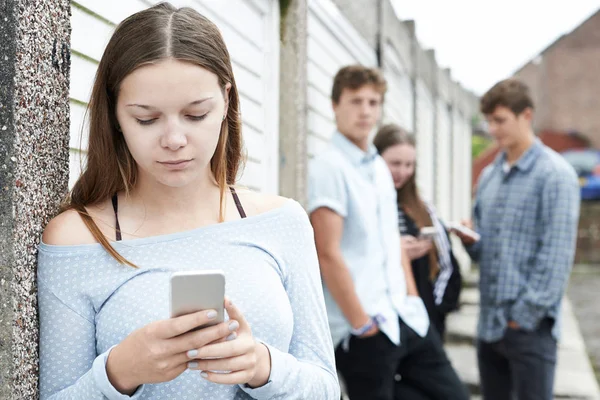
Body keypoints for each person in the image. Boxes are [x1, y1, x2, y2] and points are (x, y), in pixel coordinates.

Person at [37, 3, 339, 399]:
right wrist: (119, 373)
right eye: (146, 119)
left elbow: (326, 389)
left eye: (196, 114)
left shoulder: (283, 222)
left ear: (226, 100)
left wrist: (263, 367)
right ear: (113, 114)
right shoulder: (77, 239)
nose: (174, 140)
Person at [308, 65, 468, 400]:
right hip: (366, 327)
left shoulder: (379, 167)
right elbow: (327, 253)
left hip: (405, 315)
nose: (365, 110)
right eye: (355, 101)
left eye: (372, 102)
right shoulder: (329, 167)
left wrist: (412, 298)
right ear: (335, 105)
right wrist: (362, 323)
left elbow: (391, 240)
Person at [454, 78, 580, 400]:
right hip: (488, 327)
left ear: (526, 115)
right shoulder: (489, 176)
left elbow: (555, 258)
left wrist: (520, 321)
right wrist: (471, 242)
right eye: (489, 121)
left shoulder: (556, 175)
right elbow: (487, 253)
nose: (493, 130)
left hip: (529, 331)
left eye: (500, 120)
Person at [373, 124, 462, 339]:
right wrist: (396, 252)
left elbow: (447, 265)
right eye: (395, 163)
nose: (402, 172)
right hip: (379, 322)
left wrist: (435, 310)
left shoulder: (423, 209)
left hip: (422, 320)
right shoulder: (365, 205)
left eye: (409, 165)